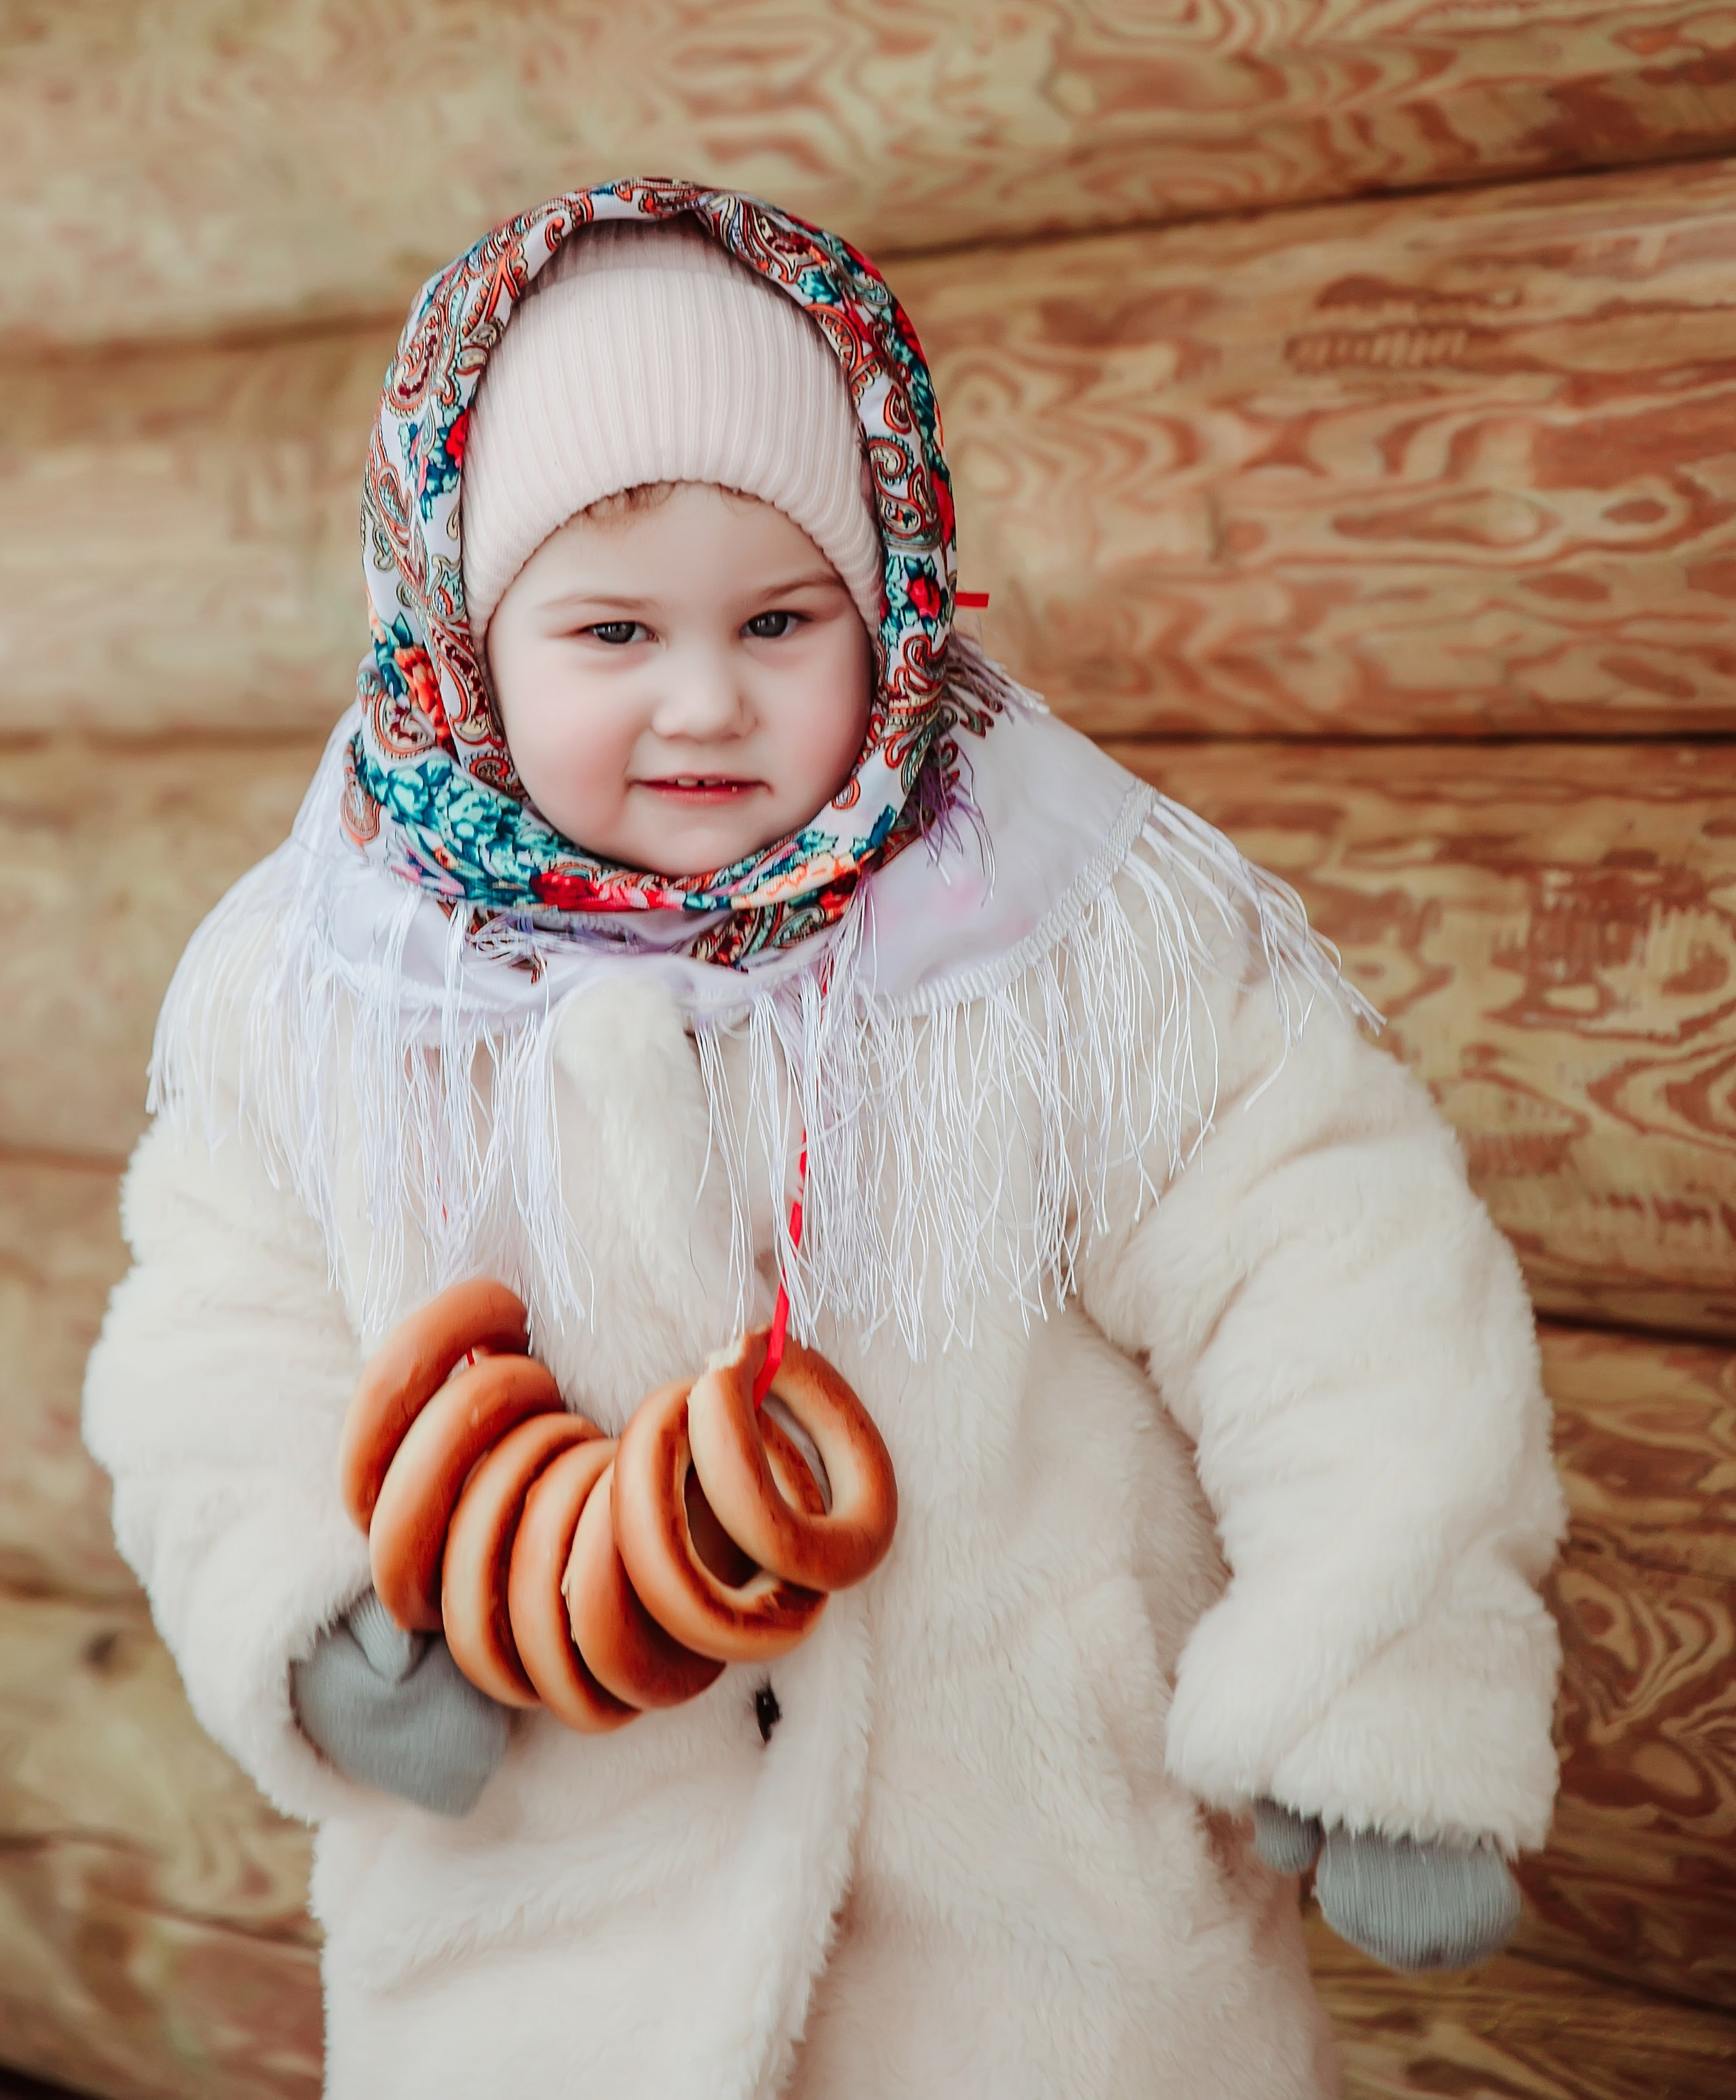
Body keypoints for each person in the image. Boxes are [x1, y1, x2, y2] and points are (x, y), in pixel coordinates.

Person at [84, 181, 1564, 2099]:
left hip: (1048, 1949)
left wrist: (1378, 1677)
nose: (705, 697)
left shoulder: (1072, 939)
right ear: (462, 624)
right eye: (613, 626)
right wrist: (302, 1603)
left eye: (780, 618)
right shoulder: (338, 999)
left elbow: (1338, 1270)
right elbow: (216, 1343)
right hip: (546, 1957)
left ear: (889, 599)